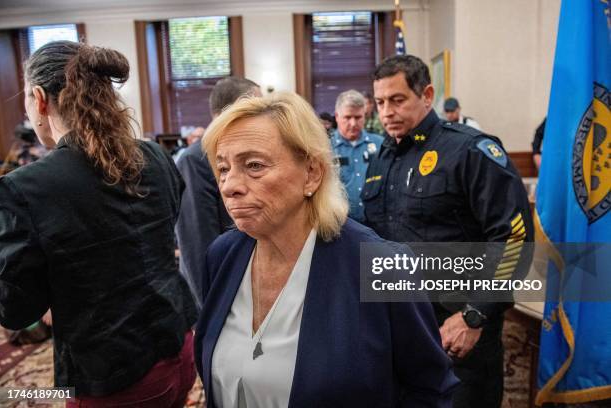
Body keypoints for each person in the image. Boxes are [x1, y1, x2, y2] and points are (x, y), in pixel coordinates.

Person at [193, 92, 458, 407]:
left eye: (254, 165)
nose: (229, 185)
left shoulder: (383, 265)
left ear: (311, 173)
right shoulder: (223, 255)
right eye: (223, 169)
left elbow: (429, 390)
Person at [0, 41, 197, 406]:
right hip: (181, 347)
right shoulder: (155, 156)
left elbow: (16, 311)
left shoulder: (24, 188)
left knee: (11, 396)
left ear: (39, 99)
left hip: (112, 380)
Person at [363, 55, 534, 408]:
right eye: (380, 103)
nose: (387, 112)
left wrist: (475, 315)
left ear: (426, 95)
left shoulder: (470, 150)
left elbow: (513, 238)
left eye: (397, 100)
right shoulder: (382, 157)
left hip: (459, 326)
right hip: (401, 322)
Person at [175, 77, 261, 311]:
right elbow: (196, 243)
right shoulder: (196, 159)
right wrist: (211, 312)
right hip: (220, 291)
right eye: (257, 107)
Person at [331, 90, 383, 222]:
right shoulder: (325, 147)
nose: (353, 123)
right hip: (341, 225)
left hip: (375, 224)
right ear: (337, 116)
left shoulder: (380, 144)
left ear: (364, 116)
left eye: (358, 117)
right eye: (347, 117)